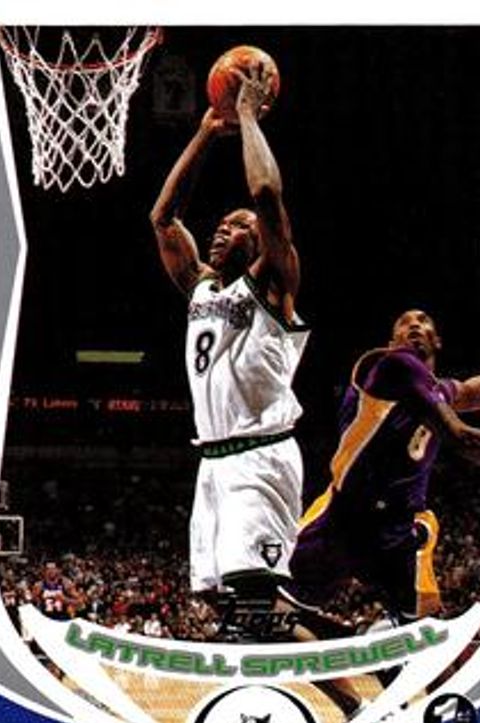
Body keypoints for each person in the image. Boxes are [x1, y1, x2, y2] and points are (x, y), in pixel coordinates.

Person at [149, 63, 309, 607]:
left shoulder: (273, 282)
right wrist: (204, 134)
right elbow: (163, 219)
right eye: (220, 224)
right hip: (214, 461)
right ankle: (318, 636)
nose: (223, 228)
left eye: (238, 226)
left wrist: (247, 117)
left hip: (261, 454)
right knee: (221, 600)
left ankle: (302, 642)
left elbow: (265, 193)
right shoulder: (200, 286)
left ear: (261, 241)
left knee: (255, 599)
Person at [280, 309, 480, 626]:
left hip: (397, 526)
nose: (414, 325)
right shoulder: (392, 366)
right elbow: (462, 439)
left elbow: (470, 392)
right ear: (391, 343)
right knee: (283, 607)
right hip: (347, 517)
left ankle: (373, 635)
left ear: (437, 341)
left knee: (422, 625)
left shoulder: (437, 390)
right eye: (404, 322)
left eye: (423, 321)